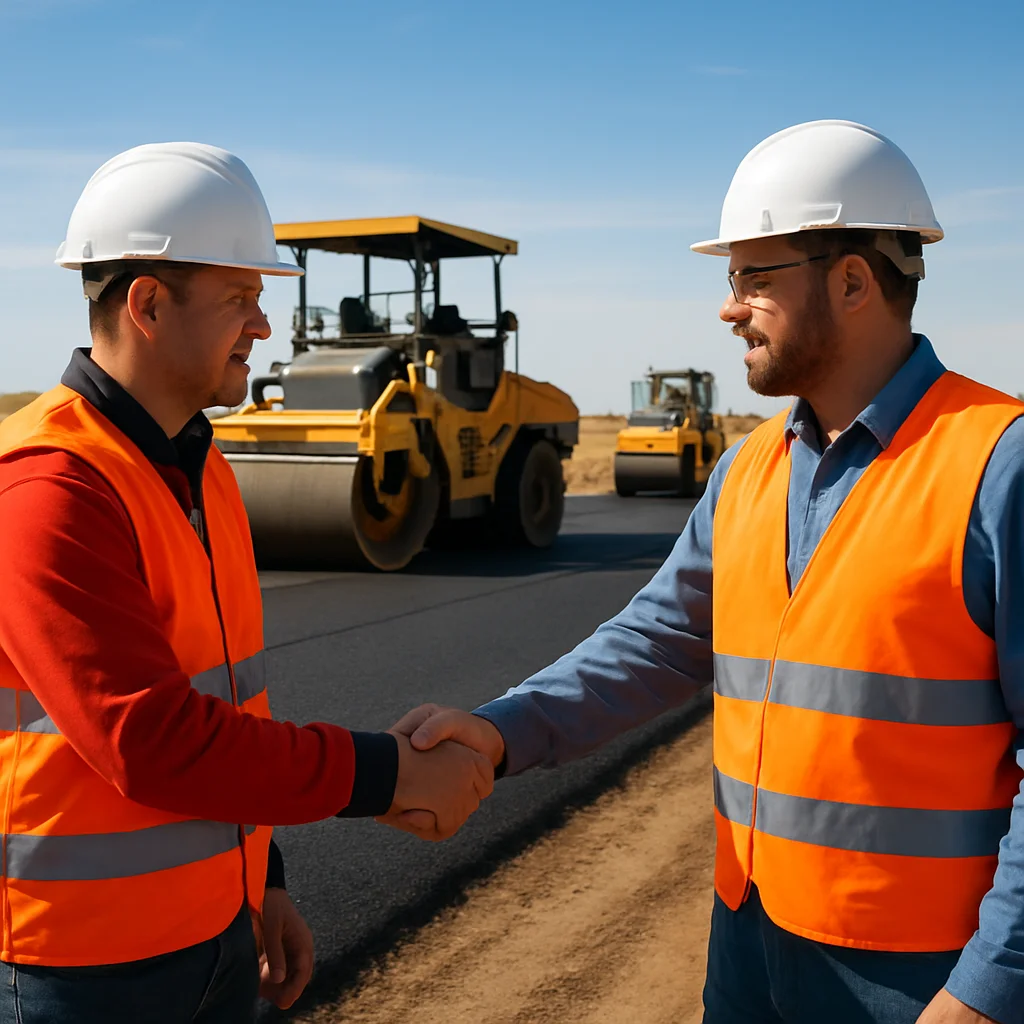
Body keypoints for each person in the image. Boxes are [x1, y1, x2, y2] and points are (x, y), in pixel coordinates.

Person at [385, 121, 1024, 1024]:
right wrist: (499, 732)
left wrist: (992, 988)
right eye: (732, 282)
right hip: (752, 943)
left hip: (924, 977)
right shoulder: (749, 468)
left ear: (851, 282)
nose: (730, 309)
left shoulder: (998, 465)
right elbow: (661, 640)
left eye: (755, 280)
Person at [0, 142, 493, 1024]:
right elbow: (150, 738)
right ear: (148, 304)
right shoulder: (48, 489)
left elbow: (229, 699)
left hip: (215, 934)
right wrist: (385, 775)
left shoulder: (203, 466)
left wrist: (262, 878)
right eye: (242, 300)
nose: (263, 327)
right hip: (76, 969)